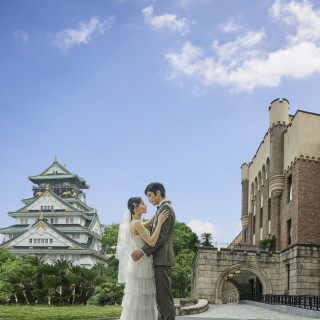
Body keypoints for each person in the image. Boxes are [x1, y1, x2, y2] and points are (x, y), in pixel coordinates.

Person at [116, 196, 169, 320]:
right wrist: (160, 222)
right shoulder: (137, 223)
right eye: (143, 204)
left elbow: (146, 224)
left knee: (137, 300)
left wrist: (159, 211)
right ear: (136, 208)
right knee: (143, 299)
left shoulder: (133, 223)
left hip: (136, 265)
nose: (146, 206)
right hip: (143, 265)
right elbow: (151, 242)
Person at [131, 182, 176, 320]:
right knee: (160, 299)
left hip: (163, 259)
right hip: (159, 259)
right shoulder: (162, 208)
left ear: (158, 193)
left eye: (150, 196)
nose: (149, 200)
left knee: (164, 299)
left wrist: (143, 251)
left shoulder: (165, 208)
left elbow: (161, 237)